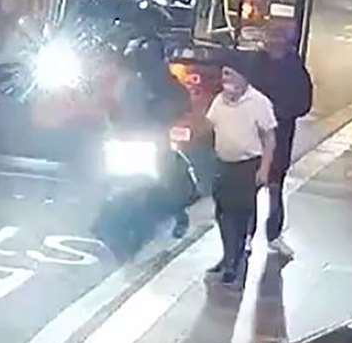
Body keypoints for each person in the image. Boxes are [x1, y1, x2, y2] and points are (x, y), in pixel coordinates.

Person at [201, 60, 276, 287]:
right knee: (223, 215)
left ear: (243, 77)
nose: (226, 80)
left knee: (239, 216)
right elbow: (210, 127)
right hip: (223, 165)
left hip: (247, 166)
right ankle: (227, 256)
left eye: (230, 74)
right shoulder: (219, 101)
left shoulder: (259, 102)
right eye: (224, 74)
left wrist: (264, 168)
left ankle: (235, 262)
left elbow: (269, 138)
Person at [113, 38, 194, 239]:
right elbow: (119, 107)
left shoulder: (166, 82)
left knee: (167, 181)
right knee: (121, 182)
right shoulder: (132, 82)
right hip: (129, 140)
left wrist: (162, 113)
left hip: (155, 141)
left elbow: (182, 103)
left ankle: (177, 216)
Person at [247, 24, 312, 259]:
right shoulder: (256, 63)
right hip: (253, 135)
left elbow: (304, 102)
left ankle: (273, 236)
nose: (272, 41)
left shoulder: (294, 68)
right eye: (270, 36)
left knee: (274, 187)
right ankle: (246, 236)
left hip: (280, 136)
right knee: (249, 186)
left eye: (277, 36)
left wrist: (281, 113)